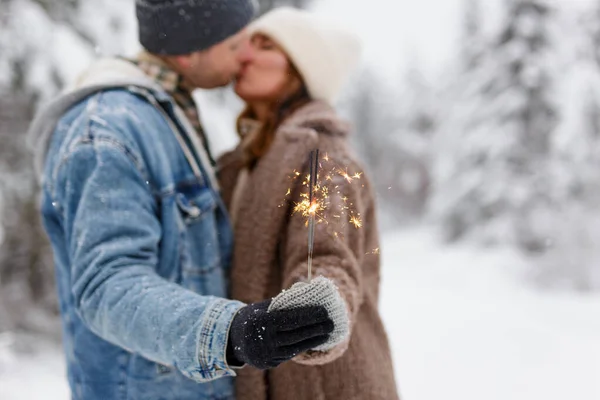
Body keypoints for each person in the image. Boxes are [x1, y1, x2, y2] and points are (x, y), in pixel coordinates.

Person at [27, 1, 340, 399]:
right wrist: (229, 333)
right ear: (187, 53)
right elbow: (109, 285)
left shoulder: (165, 112)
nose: (246, 55)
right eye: (234, 45)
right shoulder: (107, 132)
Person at [218, 8, 400, 400]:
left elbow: (329, 256)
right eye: (246, 42)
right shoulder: (243, 161)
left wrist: (319, 304)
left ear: (301, 69)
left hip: (328, 386)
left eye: (264, 45)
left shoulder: (323, 155)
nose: (244, 54)